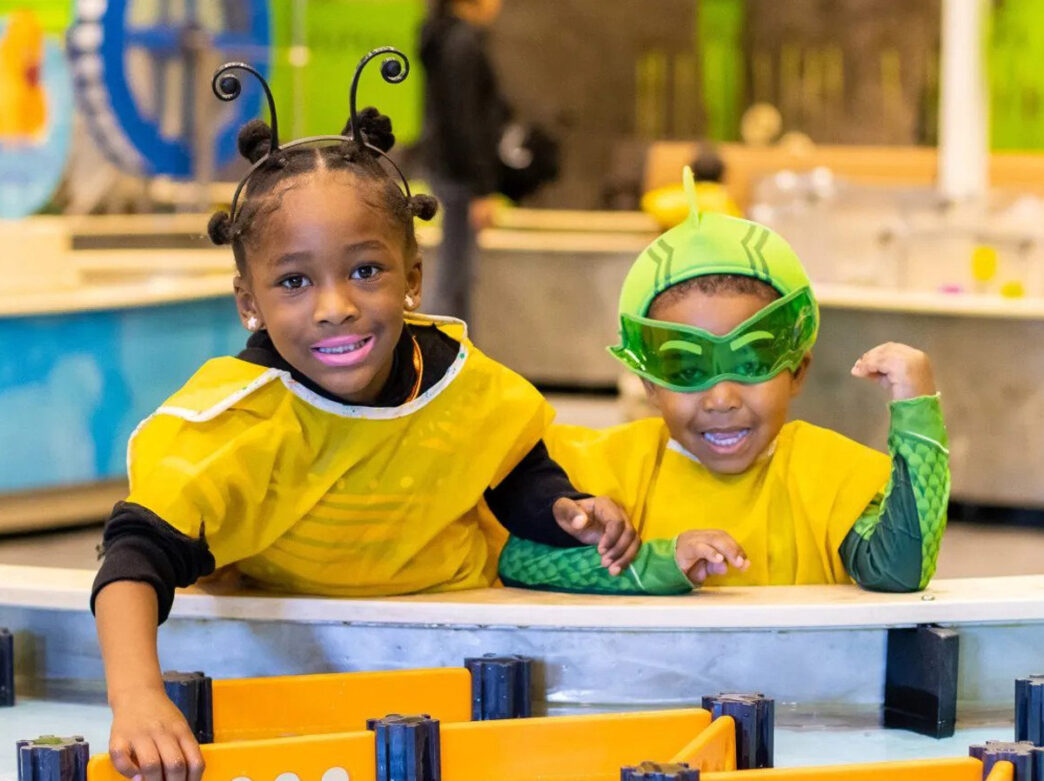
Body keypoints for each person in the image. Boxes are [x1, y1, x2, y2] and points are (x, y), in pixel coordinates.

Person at [91, 62, 638, 781]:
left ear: (413, 277)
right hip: (293, 677)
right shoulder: (236, 423)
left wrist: (564, 509)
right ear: (247, 301)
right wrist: (137, 698)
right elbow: (134, 558)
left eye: (366, 270)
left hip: (458, 643)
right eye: (294, 281)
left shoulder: (459, 381)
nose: (334, 306)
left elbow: (512, 467)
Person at [499, 165, 949, 595]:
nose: (721, 398)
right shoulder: (609, 474)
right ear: (651, 385)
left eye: (751, 364)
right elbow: (518, 563)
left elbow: (898, 571)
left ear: (797, 372)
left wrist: (916, 412)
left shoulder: (823, 475)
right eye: (687, 371)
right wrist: (661, 563)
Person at [419, 0, 506, 323]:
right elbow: (464, 119)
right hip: (459, 175)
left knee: (456, 273)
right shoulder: (462, 43)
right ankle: (438, 355)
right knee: (453, 274)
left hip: (449, 168)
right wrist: (482, 188)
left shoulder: (445, 38)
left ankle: (453, 352)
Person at [641, 143, 741, 229]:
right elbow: (735, 224)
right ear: (722, 175)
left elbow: (649, 203)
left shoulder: (674, 195)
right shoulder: (723, 200)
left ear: (692, 173)